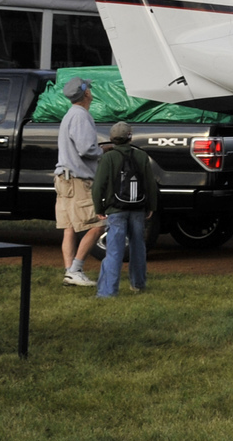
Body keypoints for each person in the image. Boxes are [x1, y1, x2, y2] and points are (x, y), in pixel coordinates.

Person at [92, 121, 159, 297]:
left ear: (112, 139)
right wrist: (151, 205)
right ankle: (138, 284)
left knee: (114, 250)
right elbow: (150, 184)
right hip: (138, 208)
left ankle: (108, 291)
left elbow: (99, 185)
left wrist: (99, 207)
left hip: (116, 209)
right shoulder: (142, 156)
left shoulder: (108, 158)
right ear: (130, 137)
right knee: (138, 246)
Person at [53, 77, 104, 287]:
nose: (91, 90)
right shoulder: (81, 116)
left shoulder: (69, 115)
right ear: (86, 94)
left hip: (63, 177)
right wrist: (103, 151)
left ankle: (69, 272)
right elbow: (86, 149)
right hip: (78, 180)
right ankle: (76, 269)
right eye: (89, 88)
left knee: (69, 227)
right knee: (98, 224)